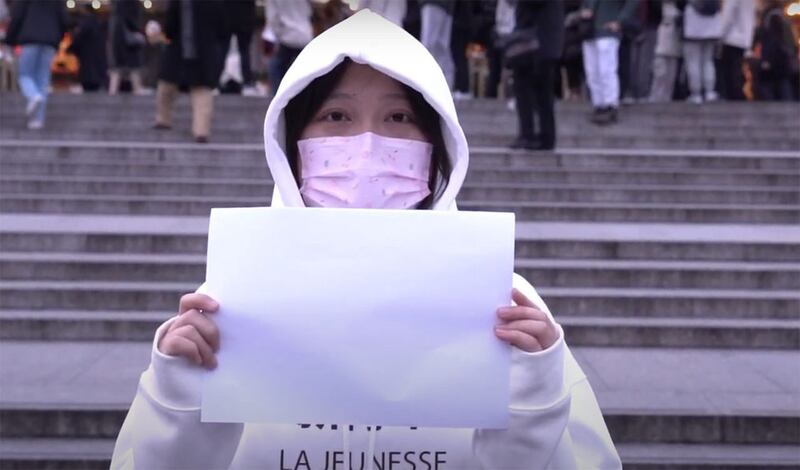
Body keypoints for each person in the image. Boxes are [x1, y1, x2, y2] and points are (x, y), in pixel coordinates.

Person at [110, 10, 621, 470]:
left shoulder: (508, 306)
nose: (368, 144)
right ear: (291, 142)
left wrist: (534, 398)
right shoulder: (225, 304)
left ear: (438, 143)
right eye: (336, 116)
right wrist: (180, 398)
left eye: (399, 118)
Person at [153, 0, 227, 143]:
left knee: (166, 87)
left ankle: (163, 119)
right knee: (202, 93)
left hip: (178, 50)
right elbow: (222, 28)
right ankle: (201, 130)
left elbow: (170, 26)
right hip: (205, 52)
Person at [3, 0, 67, 130]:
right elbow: (64, 20)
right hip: (49, 41)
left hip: (29, 40)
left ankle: (32, 95)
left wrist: (9, 40)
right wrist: (57, 38)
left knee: (25, 74)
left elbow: (17, 17)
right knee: (43, 80)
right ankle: (38, 120)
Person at [509, 0, 565, 151]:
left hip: (537, 44)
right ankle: (538, 135)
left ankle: (534, 135)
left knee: (534, 92)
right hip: (539, 43)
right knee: (539, 93)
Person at [580, 0, 639, 125]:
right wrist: (583, 10)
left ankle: (610, 104)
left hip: (607, 29)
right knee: (592, 71)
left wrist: (620, 20)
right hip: (590, 30)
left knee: (606, 70)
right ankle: (599, 104)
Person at [265, 0, 313, 94]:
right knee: (303, 69)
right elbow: (309, 11)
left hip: (287, 34)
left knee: (276, 66)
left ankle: (278, 94)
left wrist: (278, 33)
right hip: (305, 34)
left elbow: (273, 18)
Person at [682, 0, 723, 104]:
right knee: (708, 60)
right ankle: (710, 92)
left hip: (693, 26)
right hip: (712, 25)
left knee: (693, 61)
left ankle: (696, 94)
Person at [755, 0, 796, 101]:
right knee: (783, 86)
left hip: (775, 58)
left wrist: (766, 59)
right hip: (784, 58)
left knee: (768, 87)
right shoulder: (781, 16)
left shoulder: (771, 17)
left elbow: (771, 40)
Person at [718, 0, 756, 100]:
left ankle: (732, 96)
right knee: (737, 70)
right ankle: (738, 95)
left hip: (731, 38)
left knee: (729, 71)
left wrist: (720, 35)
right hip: (744, 39)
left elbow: (728, 17)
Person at [108, 0, 148, 95]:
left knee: (117, 68)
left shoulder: (116, 7)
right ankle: (137, 88)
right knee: (134, 65)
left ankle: (112, 92)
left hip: (117, 35)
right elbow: (131, 19)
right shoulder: (131, 3)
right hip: (128, 37)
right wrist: (139, 32)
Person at [649, 0, 683, 102]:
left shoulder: (679, 8)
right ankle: (655, 96)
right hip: (661, 41)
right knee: (660, 72)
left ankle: (667, 97)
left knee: (671, 73)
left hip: (674, 41)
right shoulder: (658, 7)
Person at [68, 4, 107, 93]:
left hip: (87, 55)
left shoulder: (85, 22)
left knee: (88, 75)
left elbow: (79, 37)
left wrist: (71, 48)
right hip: (97, 56)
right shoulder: (98, 22)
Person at [221, 0, 257, 95]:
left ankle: (216, 80)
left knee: (223, 49)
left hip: (227, 11)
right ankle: (247, 83)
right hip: (245, 13)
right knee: (244, 50)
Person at [419, 0, 455, 90]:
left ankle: (428, 86)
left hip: (434, 3)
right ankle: (445, 86)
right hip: (446, 6)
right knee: (441, 47)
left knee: (429, 46)